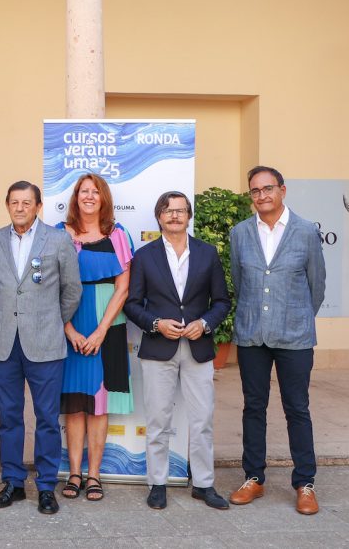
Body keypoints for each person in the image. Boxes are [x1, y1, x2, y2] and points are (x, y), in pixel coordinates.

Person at [124, 191, 231, 511]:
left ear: (189, 216)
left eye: (180, 211)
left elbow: (222, 302)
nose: (174, 216)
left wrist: (205, 323)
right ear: (159, 217)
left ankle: (203, 484)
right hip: (159, 348)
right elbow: (131, 304)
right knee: (158, 419)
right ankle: (157, 483)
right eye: (168, 211)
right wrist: (155, 323)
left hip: (198, 348)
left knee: (202, 420)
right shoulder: (144, 256)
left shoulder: (207, 253)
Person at [228, 166, 325, 515]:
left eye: (268, 188)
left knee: (297, 408)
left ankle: (305, 483)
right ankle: (253, 477)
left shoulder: (305, 231)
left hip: (295, 336)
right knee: (253, 407)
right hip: (252, 334)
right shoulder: (240, 233)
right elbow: (241, 284)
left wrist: (294, 317)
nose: (262, 195)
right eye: (255, 191)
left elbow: (317, 285)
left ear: (282, 190)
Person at [0, 181, 81, 515]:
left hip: (45, 343)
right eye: (14, 202)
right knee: (9, 417)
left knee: (47, 419)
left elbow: (72, 290)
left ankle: (45, 486)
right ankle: (12, 482)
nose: (20, 207)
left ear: (39, 206)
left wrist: (50, 320)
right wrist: (16, 317)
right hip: (5, 343)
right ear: (7, 205)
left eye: (27, 202)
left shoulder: (57, 240)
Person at [57, 173, 134, 503]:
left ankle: (94, 476)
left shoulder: (118, 234)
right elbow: (49, 286)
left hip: (108, 328)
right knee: (74, 405)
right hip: (68, 327)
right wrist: (69, 329)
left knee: (99, 406)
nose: (89, 196)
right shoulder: (59, 235)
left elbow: (124, 287)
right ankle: (74, 472)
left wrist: (101, 331)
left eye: (94, 192)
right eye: (83, 191)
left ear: (103, 198)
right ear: (75, 198)